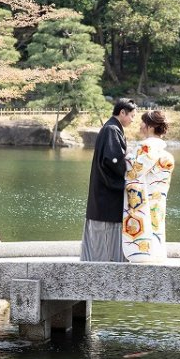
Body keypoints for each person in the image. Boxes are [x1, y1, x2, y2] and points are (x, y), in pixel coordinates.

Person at [81, 98, 137, 262]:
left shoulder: (111, 128)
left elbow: (114, 158)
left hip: (102, 191)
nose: (132, 120)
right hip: (107, 193)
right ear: (122, 112)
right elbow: (112, 161)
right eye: (132, 116)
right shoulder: (112, 129)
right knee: (106, 237)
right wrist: (130, 165)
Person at [122, 110, 175, 263]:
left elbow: (133, 172)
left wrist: (125, 158)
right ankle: (156, 253)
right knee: (156, 223)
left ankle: (143, 254)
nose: (140, 125)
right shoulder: (163, 151)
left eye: (143, 122)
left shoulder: (146, 147)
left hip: (145, 197)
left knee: (145, 222)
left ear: (151, 126)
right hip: (158, 197)